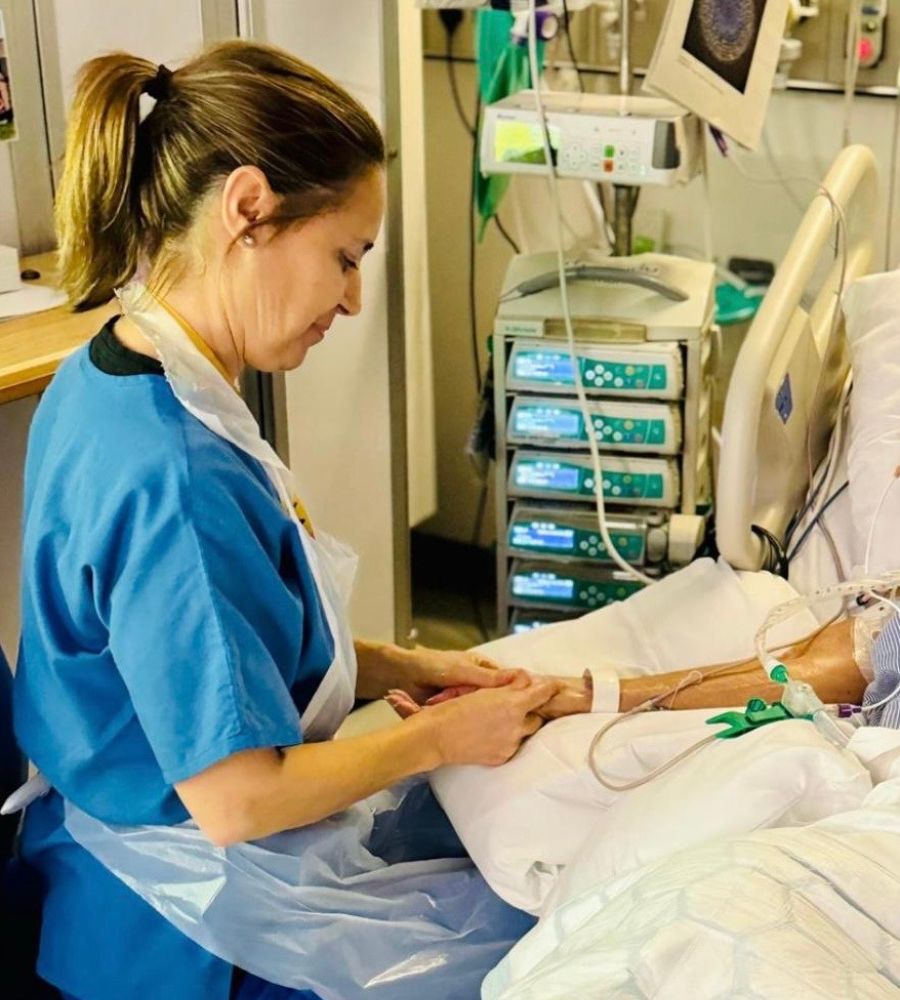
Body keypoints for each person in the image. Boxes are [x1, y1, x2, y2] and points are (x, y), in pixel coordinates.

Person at [11, 41, 571, 1000]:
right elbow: (238, 799)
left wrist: (414, 666)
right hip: (178, 939)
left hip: (120, 858)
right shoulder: (173, 476)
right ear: (248, 210)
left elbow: (212, 641)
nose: (353, 299)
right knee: (546, 951)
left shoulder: (116, 366)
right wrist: (441, 738)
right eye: (344, 257)